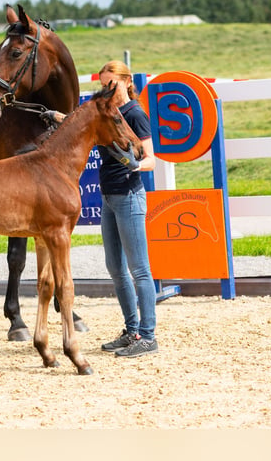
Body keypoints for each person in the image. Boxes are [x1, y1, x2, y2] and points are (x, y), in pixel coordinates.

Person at [95, 60, 158, 358]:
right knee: (115, 268)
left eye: (112, 84)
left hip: (130, 196)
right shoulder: (108, 112)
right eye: (104, 85)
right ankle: (132, 329)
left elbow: (151, 159)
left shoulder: (135, 113)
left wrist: (135, 165)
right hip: (109, 197)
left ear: (126, 81)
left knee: (139, 270)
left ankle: (147, 335)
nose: (107, 90)